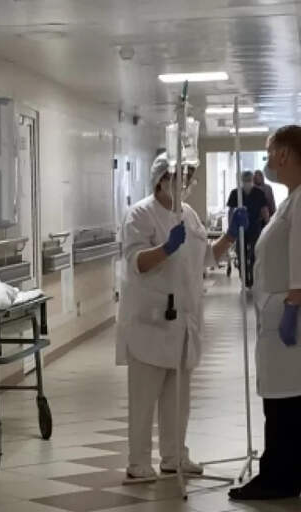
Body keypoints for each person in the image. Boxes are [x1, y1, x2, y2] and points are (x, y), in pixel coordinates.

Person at [117, 154, 248, 480]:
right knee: (144, 399)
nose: (185, 183)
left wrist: (230, 236)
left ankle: (174, 456)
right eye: (180, 176)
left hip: (183, 321)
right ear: (161, 179)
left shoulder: (188, 215)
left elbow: (206, 258)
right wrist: (165, 248)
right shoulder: (140, 214)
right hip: (150, 322)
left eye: (189, 176)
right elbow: (136, 262)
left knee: (178, 399)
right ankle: (138, 462)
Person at [229, 125, 301, 500]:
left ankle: (280, 477)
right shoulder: (297, 196)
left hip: (291, 309)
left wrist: (292, 307)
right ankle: (281, 473)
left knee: (285, 400)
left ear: (283, 154)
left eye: (269, 153)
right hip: (282, 307)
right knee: (283, 398)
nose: (267, 162)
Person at [226, 171, 275, 287]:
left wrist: (268, 226)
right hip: (240, 229)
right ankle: (244, 278)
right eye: (245, 181)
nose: (247, 183)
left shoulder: (259, 193)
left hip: (254, 227)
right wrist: (231, 228)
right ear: (241, 181)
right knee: (240, 254)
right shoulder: (235, 193)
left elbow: (264, 210)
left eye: (249, 180)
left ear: (252, 181)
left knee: (254, 254)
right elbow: (231, 211)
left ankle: (252, 278)